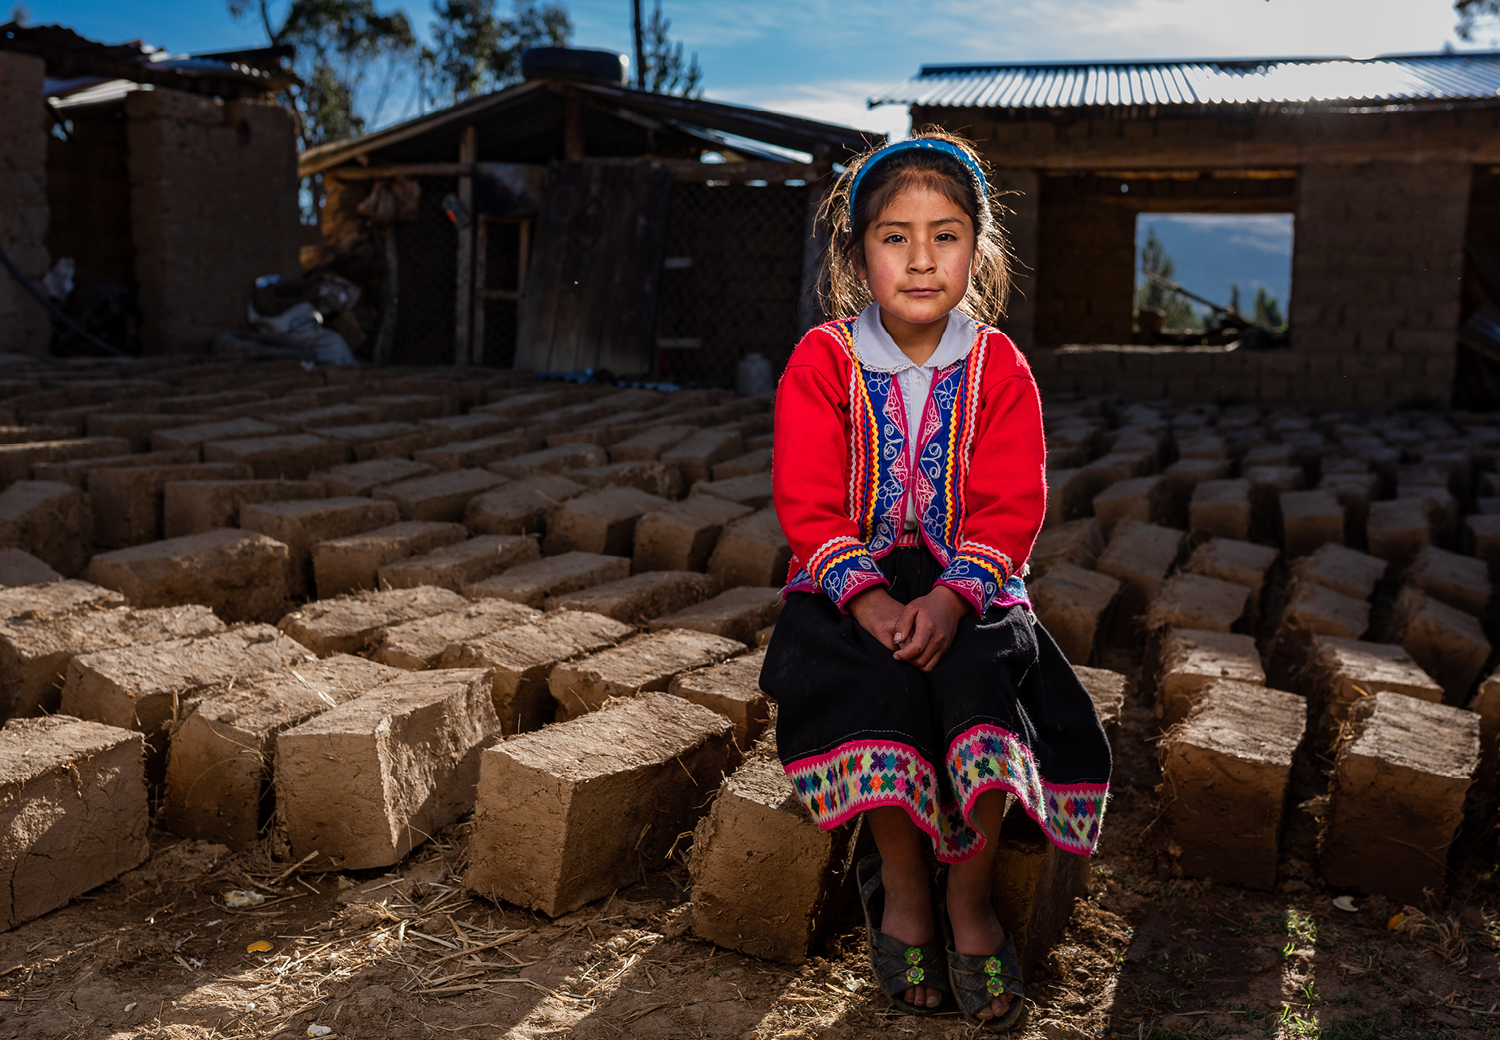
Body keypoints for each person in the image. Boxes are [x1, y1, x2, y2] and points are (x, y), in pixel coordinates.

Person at [759, 131, 1112, 1031]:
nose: (922, 259)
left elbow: (1009, 507)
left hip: (970, 584)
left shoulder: (1002, 371)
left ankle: (972, 895)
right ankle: (907, 886)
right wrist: (873, 601)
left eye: (946, 234)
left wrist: (954, 598)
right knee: (871, 681)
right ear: (855, 254)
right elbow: (807, 505)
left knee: (980, 680)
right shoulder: (820, 362)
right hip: (853, 584)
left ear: (978, 249)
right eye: (894, 236)